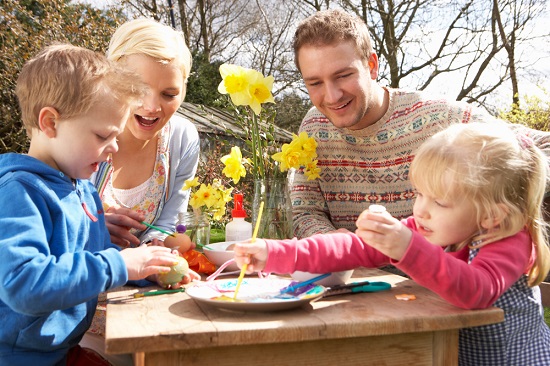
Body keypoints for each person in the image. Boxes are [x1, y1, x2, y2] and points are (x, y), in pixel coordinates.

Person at [234, 122, 550, 365]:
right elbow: (351, 248)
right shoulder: (429, 228)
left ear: (492, 216)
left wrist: (408, 248)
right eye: (419, 194)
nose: (420, 209)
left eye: (439, 201)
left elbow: (476, 290)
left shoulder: (509, 240)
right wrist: (276, 252)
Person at [0, 44, 199, 365]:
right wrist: (120, 266)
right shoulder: (18, 193)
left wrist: (143, 269)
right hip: (21, 357)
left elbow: (89, 262)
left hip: (63, 350)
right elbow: (23, 284)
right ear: (50, 123)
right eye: (103, 136)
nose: (113, 148)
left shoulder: (82, 190)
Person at [289, 8, 550, 239]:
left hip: (446, 283)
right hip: (356, 282)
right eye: (315, 83)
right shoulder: (313, 128)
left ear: (371, 65)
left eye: (343, 75)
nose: (332, 96)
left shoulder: (440, 119)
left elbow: (540, 147)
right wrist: (328, 240)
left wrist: (484, 209)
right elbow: (305, 211)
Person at [90, 18, 200, 248]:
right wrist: (91, 227)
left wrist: (156, 246)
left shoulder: (182, 139)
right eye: (137, 88)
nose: (152, 107)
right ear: (112, 78)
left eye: (169, 94)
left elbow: (169, 222)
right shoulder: (84, 134)